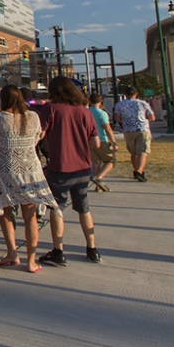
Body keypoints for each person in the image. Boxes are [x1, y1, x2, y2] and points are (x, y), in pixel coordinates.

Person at [0, 85, 58, 273]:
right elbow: (39, 136)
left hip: (5, 170)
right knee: (30, 217)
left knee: (6, 212)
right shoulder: (32, 117)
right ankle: (31, 260)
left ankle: (12, 253)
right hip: (30, 169)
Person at [37, 77, 102, 266]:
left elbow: (39, 134)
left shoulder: (51, 109)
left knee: (57, 208)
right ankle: (92, 249)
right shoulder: (85, 111)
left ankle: (58, 251)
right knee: (84, 208)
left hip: (60, 166)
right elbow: (95, 143)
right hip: (83, 167)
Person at [114, 85, 155, 181]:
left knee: (133, 152)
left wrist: (123, 122)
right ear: (136, 94)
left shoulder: (120, 104)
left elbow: (117, 117)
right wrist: (145, 121)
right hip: (142, 128)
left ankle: (136, 169)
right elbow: (152, 117)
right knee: (142, 151)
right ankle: (139, 171)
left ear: (126, 94)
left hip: (128, 130)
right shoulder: (143, 103)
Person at [88, 93, 116, 191]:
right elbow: (107, 128)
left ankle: (98, 186)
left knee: (96, 163)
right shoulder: (101, 113)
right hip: (102, 140)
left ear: (89, 101)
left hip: (89, 141)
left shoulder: (85, 112)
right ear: (101, 102)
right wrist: (114, 141)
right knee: (110, 161)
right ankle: (98, 178)